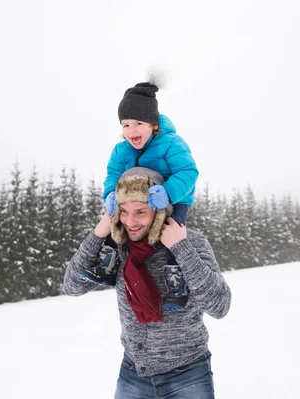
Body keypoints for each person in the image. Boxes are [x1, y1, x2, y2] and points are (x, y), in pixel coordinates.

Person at [64, 167, 231, 399]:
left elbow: (220, 306)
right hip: (133, 374)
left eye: (140, 211)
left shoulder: (189, 240)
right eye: (123, 211)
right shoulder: (118, 245)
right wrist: (98, 235)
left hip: (188, 375)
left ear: (160, 210)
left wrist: (181, 249)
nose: (130, 222)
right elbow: (72, 286)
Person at [80, 70, 199, 311]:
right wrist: (110, 196)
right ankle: (108, 264)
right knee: (119, 222)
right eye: (125, 125)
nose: (131, 130)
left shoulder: (172, 143)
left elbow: (188, 171)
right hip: (133, 200)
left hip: (173, 200)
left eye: (138, 124)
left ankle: (176, 283)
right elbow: (112, 175)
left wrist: (168, 193)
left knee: (171, 234)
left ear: (153, 125)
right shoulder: (120, 151)